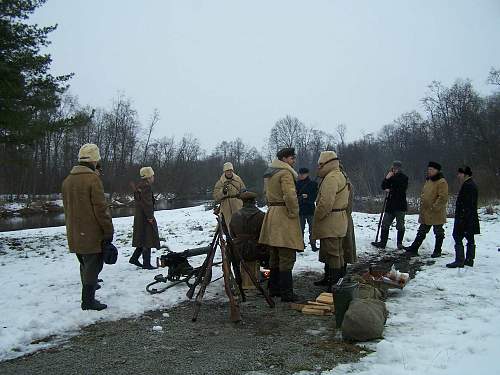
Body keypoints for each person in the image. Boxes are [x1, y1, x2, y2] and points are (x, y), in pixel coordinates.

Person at [62, 143, 114, 311]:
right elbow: (101, 209)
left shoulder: (68, 180)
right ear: (94, 160)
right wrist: (108, 230)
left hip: (75, 232)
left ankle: (88, 294)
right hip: (92, 233)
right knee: (93, 266)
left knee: (84, 264)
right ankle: (88, 301)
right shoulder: (93, 179)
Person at [259, 147, 304, 302]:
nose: (294, 161)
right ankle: (287, 293)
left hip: (272, 214)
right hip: (283, 216)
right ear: (284, 159)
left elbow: (266, 194)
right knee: (286, 255)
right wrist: (294, 212)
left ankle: (274, 288)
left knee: (275, 255)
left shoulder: (269, 173)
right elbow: (290, 196)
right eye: (292, 158)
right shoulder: (285, 173)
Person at [311, 151, 349, 292]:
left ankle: (334, 285)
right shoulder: (338, 175)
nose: (318, 167)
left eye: (320, 164)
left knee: (333, 253)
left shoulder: (332, 178)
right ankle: (333, 280)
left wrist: (318, 216)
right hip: (338, 219)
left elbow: (326, 203)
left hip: (331, 220)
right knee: (335, 252)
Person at [405, 161, 448, 257]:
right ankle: (414, 248)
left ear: (437, 171)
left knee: (438, 232)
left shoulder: (441, 181)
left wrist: (434, 207)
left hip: (436, 212)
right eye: (428, 169)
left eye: (431, 170)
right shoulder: (429, 180)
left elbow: (443, 197)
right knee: (422, 230)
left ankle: (437, 251)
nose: (429, 171)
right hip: (426, 211)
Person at [230, 191, 267, 291]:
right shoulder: (262, 215)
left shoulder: (235, 216)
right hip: (256, 250)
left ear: (242, 202)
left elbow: (232, 234)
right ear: (254, 201)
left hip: (238, 251)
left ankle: (240, 280)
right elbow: (265, 235)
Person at [446, 166, 480, 268]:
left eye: (460, 174)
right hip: (469, 217)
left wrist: (462, 218)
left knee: (457, 236)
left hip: (465, 217)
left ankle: (460, 260)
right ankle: (469, 259)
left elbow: (466, 204)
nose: (458, 176)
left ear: (465, 174)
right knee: (470, 238)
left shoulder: (468, 185)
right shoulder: (471, 184)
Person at [371, 161, 408, 250]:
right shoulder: (390, 176)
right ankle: (383, 242)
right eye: (394, 167)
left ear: (399, 168)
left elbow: (401, 189)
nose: (394, 169)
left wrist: (390, 190)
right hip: (390, 205)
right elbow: (383, 186)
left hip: (400, 205)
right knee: (385, 224)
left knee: (400, 225)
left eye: (396, 168)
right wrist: (387, 178)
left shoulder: (404, 177)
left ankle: (399, 243)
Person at [129, 167, 160, 269]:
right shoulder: (146, 187)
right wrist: (150, 217)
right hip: (145, 217)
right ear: (149, 177)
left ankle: (134, 258)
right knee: (148, 239)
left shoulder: (140, 186)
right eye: (153, 176)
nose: (154, 178)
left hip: (140, 216)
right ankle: (146, 264)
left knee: (142, 239)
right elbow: (147, 204)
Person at [213, 162, 246, 228]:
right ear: (224, 171)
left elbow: (244, 190)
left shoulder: (238, 179)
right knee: (228, 225)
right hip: (226, 206)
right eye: (227, 171)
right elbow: (216, 196)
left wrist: (242, 194)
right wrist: (223, 191)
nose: (229, 172)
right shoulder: (220, 182)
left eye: (230, 170)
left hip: (238, 204)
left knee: (239, 223)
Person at [295, 167, 319, 251]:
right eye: (300, 174)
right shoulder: (296, 184)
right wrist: (302, 198)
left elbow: (315, 196)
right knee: (300, 229)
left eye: (303, 174)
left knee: (312, 229)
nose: (301, 175)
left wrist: (307, 198)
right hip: (300, 209)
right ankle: (300, 245)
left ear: (307, 174)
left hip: (310, 209)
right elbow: (294, 196)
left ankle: (313, 244)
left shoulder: (313, 184)